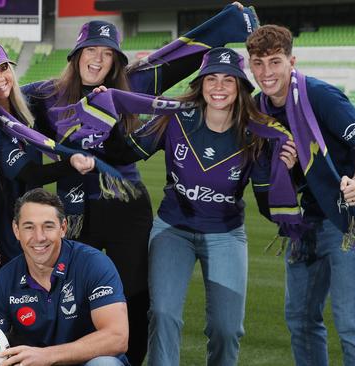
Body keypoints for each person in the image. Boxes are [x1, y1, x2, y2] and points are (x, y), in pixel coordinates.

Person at [21, 6, 259, 364]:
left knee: (135, 296)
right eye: (91, 51)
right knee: (67, 293)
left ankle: (128, 361)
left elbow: (182, 55)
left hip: (126, 208)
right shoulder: (45, 94)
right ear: (76, 55)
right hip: (74, 213)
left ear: (116, 60)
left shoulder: (133, 83)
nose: (98, 60)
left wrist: (233, 22)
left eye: (107, 54)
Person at [246, 25, 355, 366]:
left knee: (352, 324)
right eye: (258, 64)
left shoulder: (320, 95)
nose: (267, 73)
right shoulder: (255, 109)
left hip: (348, 219)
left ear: (291, 61)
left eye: (275, 62)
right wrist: (286, 169)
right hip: (304, 224)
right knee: (300, 319)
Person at [0, 40, 93, 264]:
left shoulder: (27, 106)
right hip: (3, 224)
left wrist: (96, 95)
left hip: (30, 217)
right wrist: (71, 162)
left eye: (3, 68)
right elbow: (30, 173)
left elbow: (66, 92)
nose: (1, 77)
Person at [0, 188, 129, 366]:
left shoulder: (93, 264)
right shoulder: (3, 281)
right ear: (16, 230)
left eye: (48, 226)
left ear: (63, 228)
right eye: (29, 227)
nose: (39, 237)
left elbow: (117, 337)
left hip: (86, 363)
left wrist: (48, 356)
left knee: (105, 364)